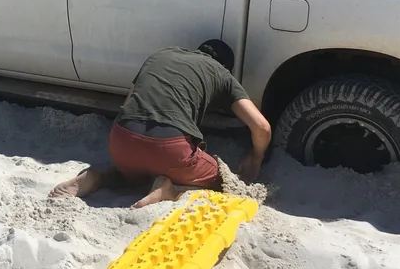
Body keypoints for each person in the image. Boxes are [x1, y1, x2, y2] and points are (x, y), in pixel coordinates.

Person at [49, 39, 271, 208]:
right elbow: (262, 127)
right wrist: (256, 157)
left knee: (134, 173)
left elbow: (128, 104)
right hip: (170, 149)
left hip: (122, 141)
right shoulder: (222, 75)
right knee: (224, 180)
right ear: (226, 67)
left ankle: (98, 177)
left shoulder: (161, 55)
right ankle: (170, 190)